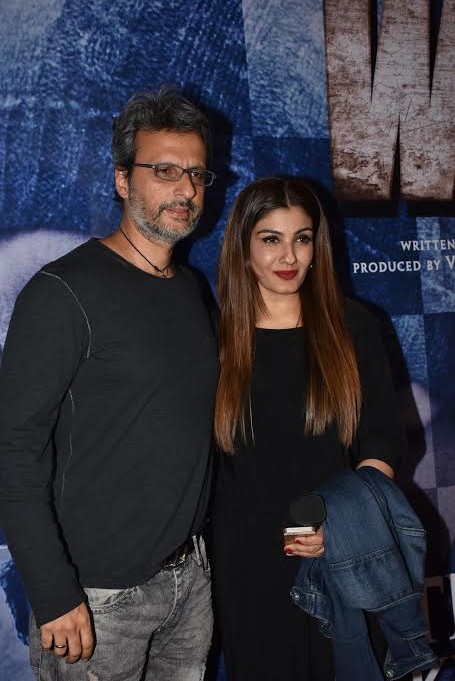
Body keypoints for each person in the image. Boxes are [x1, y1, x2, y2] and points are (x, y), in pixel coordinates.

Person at [0, 88, 219, 680]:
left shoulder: (191, 289)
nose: (185, 189)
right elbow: (13, 448)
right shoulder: (63, 292)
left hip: (188, 582)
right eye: (164, 171)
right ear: (123, 180)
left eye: (196, 173)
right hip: (95, 599)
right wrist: (52, 591)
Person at [211, 176, 405, 681]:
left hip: (344, 555)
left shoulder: (352, 325)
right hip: (248, 564)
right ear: (243, 248)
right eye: (270, 239)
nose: (289, 255)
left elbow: (382, 438)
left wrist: (342, 521)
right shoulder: (212, 334)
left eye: (302, 238)